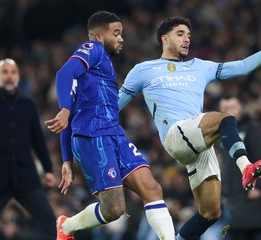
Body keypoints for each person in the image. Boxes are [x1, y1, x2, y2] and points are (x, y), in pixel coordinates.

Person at [118, 17, 261, 239]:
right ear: (164, 39)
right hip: (176, 134)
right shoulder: (144, 70)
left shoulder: (200, 67)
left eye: (189, 35)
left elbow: (243, 67)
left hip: (199, 142)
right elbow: (114, 105)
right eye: (180, 34)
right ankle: (246, 167)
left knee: (210, 213)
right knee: (225, 119)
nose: (187, 39)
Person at [45, 11, 175, 240]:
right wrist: (64, 109)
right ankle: (66, 227)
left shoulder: (95, 71)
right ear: (98, 36)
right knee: (114, 209)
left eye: (121, 33)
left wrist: (66, 159)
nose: (121, 38)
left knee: (152, 189)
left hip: (114, 133)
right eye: (116, 33)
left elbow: (72, 113)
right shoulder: (92, 49)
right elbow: (63, 73)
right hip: (93, 137)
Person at [0, 58, 57, 239]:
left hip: (25, 177)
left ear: (18, 77)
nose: (9, 76)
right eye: (5, 72)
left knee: (51, 225)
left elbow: (38, 140)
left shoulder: (28, 104)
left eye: (13, 72)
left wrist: (48, 169)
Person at [217, 96, 261, 240]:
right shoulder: (222, 133)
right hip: (232, 197)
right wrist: (225, 192)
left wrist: (259, 186)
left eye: (233, 107)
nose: (230, 112)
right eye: (225, 109)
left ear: (241, 107)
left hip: (249, 194)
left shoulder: (251, 128)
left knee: (247, 234)